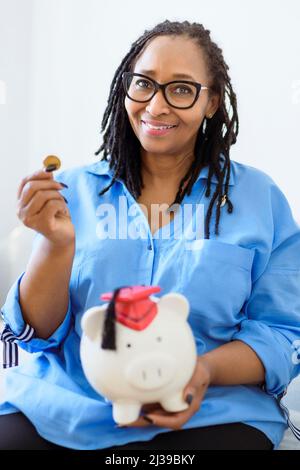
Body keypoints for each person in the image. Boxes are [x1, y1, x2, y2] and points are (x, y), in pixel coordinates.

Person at [0, 19, 299, 451]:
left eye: (181, 89)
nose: (156, 107)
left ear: (212, 101)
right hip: (65, 405)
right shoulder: (72, 192)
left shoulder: (259, 199)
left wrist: (201, 372)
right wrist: (56, 244)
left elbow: (281, 332)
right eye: (144, 84)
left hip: (211, 411)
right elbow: (38, 333)